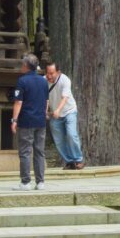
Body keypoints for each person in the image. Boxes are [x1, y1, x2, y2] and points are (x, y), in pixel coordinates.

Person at [10, 52, 49, 190]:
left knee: (25, 151)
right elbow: (46, 101)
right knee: (39, 151)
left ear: (26, 65)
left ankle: (26, 181)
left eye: (22, 64)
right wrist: (44, 114)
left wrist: (14, 120)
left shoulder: (22, 81)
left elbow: (18, 102)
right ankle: (40, 181)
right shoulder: (44, 81)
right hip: (40, 120)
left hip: (26, 120)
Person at [45, 61, 84, 169]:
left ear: (58, 72)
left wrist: (58, 110)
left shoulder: (65, 80)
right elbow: (45, 98)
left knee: (71, 134)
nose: (49, 76)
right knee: (59, 140)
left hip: (69, 111)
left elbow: (65, 97)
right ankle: (69, 161)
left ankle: (78, 159)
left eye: (52, 73)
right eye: (47, 73)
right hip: (54, 114)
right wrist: (45, 110)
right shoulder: (44, 80)